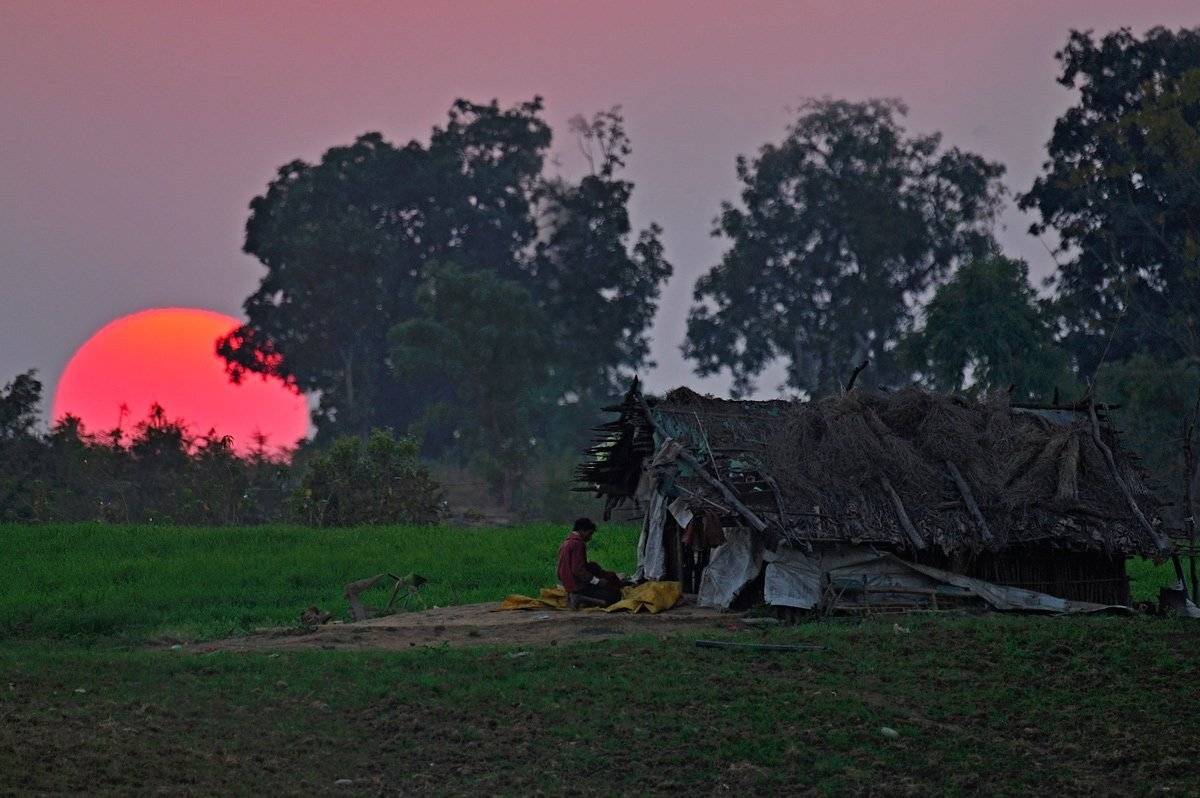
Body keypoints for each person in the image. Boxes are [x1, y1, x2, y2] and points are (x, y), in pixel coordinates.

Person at [557, 517, 623, 606]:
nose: (590, 537)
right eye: (590, 533)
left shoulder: (566, 543)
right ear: (582, 530)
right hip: (577, 586)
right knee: (615, 596)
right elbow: (578, 570)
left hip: (568, 584)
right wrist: (597, 581)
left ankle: (577, 596)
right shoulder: (578, 544)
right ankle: (581, 598)